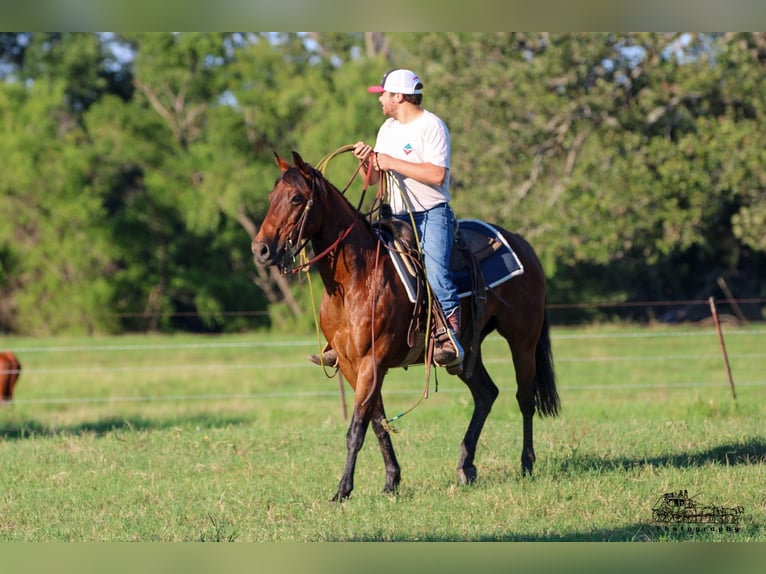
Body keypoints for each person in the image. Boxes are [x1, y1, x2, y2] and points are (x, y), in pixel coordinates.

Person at [309, 68, 464, 372]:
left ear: (400, 96)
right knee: (362, 266)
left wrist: (391, 161)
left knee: (435, 273)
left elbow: (437, 175)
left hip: (430, 214)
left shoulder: (431, 126)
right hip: (395, 215)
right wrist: (369, 160)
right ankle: (344, 338)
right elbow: (374, 180)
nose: (380, 100)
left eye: (384, 95)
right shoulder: (387, 129)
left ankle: (449, 336)